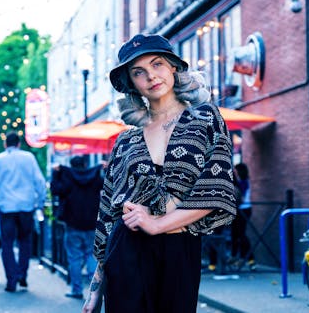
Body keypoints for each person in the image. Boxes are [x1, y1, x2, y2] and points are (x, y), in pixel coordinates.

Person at [82, 34, 237, 313]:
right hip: (126, 248)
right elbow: (108, 213)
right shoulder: (125, 141)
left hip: (180, 249)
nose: (151, 76)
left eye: (157, 64)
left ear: (173, 67)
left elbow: (217, 190)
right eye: (138, 72)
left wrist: (156, 224)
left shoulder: (205, 119)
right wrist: (96, 288)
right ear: (131, 83)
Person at [0, 131, 46, 292]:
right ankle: (22, 275)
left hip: (7, 208)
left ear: (5, 144)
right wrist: (39, 203)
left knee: (7, 244)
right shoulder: (29, 158)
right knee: (25, 242)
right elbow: (40, 182)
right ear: (19, 143)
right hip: (26, 207)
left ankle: (11, 280)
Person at [51, 156, 104, 299]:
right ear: (85, 164)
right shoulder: (95, 178)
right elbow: (107, 186)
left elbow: (55, 190)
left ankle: (76, 290)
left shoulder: (67, 178)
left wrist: (56, 173)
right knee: (91, 257)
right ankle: (95, 293)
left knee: (74, 258)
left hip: (72, 224)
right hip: (92, 223)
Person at [230, 162, 255, 270]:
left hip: (244, 210)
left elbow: (242, 198)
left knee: (241, 234)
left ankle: (250, 259)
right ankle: (237, 257)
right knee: (235, 234)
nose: (234, 172)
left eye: (235, 170)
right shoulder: (241, 182)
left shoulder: (244, 182)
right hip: (239, 210)